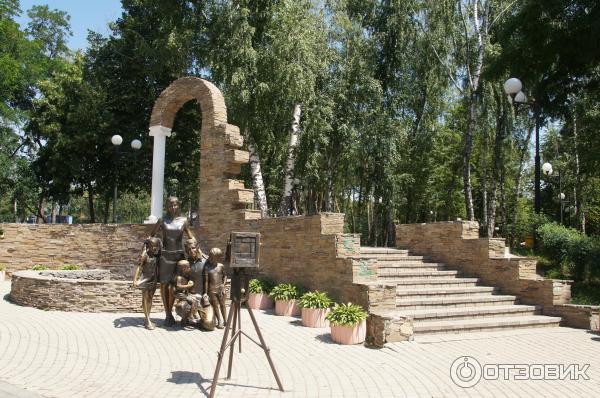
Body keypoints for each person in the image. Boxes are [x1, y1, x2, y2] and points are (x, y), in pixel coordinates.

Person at [149, 196, 195, 326]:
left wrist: (199, 252)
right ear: (166, 206)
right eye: (170, 205)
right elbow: (152, 235)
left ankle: (181, 313)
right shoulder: (162, 220)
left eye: (175, 205)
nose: (172, 208)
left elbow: (191, 238)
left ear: (178, 205)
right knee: (164, 285)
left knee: (175, 286)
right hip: (165, 257)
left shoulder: (184, 221)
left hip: (179, 257)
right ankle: (167, 314)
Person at [132, 237, 161, 330]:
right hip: (145, 279)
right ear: (148, 246)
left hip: (153, 279)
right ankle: (147, 320)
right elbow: (139, 267)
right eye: (152, 246)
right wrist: (135, 280)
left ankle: (147, 318)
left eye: (156, 246)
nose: (154, 248)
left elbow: (162, 247)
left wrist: (158, 241)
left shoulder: (157, 255)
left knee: (150, 299)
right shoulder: (145, 255)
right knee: (145, 299)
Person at [203, 248, 227, 329]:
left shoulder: (221, 266)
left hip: (220, 289)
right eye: (210, 257)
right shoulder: (207, 267)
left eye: (212, 257)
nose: (210, 258)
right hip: (211, 290)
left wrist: (223, 285)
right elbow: (206, 281)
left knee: (223, 305)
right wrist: (205, 293)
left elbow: (225, 276)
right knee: (216, 306)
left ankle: (226, 320)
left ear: (217, 258)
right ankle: (219, 320)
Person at [173, 259, 200, 327]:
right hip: (180, 294)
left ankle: (184, 321)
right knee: (193, 301)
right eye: (188, 267)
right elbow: (178, 286)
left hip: (184, 294)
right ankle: (191, 316)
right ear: (184, 269)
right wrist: (188, 286)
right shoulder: (179, 278)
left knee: (193, 301)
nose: (190, 268)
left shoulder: (185, 277)